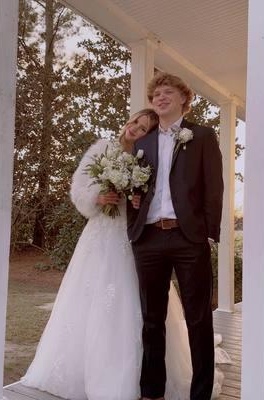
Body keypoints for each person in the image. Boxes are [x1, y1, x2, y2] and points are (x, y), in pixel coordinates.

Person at [21, 108, 228, 400]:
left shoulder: (149, 157)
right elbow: (79, 185)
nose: (136, 129)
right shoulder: (103, 147)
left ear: (150, 135)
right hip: (100, 234)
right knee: (92, 302)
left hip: (137, 236)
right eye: (135, 122)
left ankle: (142, 379)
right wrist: (98, 196)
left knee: (140, 305)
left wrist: (134, 199)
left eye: (144, 128)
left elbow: (155, 197)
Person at [127, 72, 224, 400]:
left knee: (199, 321)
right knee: (151, 320)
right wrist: (133, 222)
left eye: (168, 92)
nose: (160, 97)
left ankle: (200, 394)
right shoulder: (142, 143)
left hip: (188, 239)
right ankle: (151, 392)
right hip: (149, 239)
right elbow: (135, 189)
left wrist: (208, 235)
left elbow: (214, 188)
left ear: (184, 99)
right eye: (156, 94)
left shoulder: (203, 136)